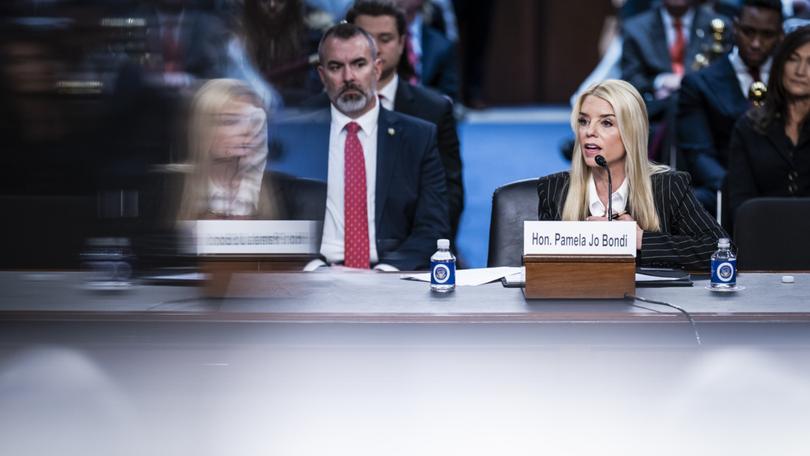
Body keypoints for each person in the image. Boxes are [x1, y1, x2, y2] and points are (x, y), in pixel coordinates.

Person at [537, 79, 727, 270]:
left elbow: (719, 250)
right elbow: (540, 267)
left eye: (606, 123)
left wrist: (639, 239)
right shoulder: (555, 189)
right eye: (583, 121)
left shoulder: (667, 187)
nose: (589, 131)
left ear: (632, 131)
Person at [312, 22, 449, 270]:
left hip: (390, 276)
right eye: (336, 67)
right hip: (314, 277)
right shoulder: (300, 135)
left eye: (359, 64)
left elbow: (432, 227)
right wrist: (311, 267)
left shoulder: (418, 137)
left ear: (376, 69)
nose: (348, 77)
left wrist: (388, 271)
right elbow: (280, 220)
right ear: (322, 75)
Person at [346, 0, 464, 240]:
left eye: (385, 39)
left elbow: (447, 201)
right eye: (365, 38)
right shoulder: (317, 114)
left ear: (402, 44)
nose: (375, 48)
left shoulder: (433, 112)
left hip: (409, 255)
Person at [677, 0, 783, 215]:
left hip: (784, 192)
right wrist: (741, 190)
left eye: (767, 35)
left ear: (780, 36)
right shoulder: (699, 84)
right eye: (748, 31)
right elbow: (699, 155)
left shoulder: (790, 81)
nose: (755, 43)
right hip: (724, 189)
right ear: (735, 27)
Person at [728, 26, 810, 218]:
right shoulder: (748, 127)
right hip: (762, 237)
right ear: (780, 64)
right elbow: (741, 206)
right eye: (793, 59)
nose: (800, 71)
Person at [176, 79, 277, 220]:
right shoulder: (174, 188)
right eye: (230, 121)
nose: (247, 131)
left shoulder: (279, 192)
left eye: (255, 121)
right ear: (203, 128)